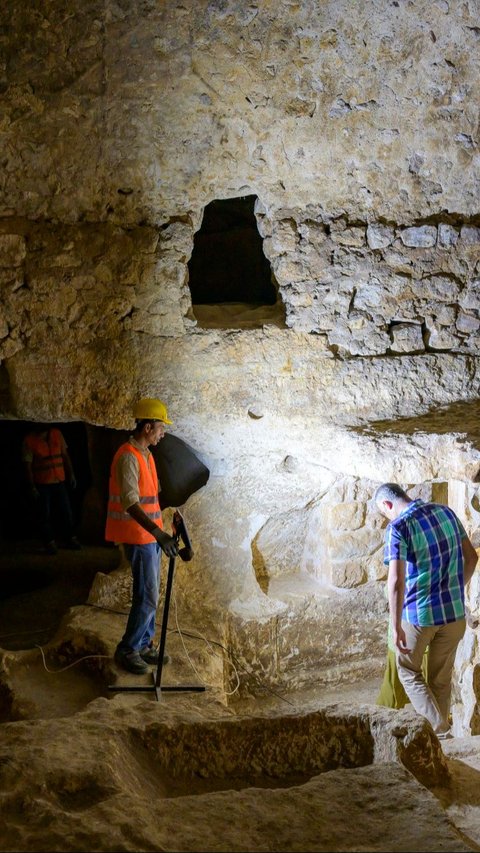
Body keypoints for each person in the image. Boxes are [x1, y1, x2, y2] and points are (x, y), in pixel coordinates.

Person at [375, 482, 478, 737]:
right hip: (454, 615)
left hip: (420, 616)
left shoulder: (398, 528)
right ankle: (441, 744)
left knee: (408, 671)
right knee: (440, 681)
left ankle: (440, 730)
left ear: (388, 505)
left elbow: (396, 581)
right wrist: (454, 589)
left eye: (383, 512)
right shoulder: (446, 513)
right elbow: (472, 557)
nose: (386, 517)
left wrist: (396, 624)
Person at [105, 397, 179, 675]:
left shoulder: (146, 454)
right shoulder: (128, 456)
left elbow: (152, 499)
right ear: (148, 427)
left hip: (149, 537)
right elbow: (130, 502)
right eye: (161, 427)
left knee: (151, 593)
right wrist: (158, 533)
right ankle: (128, 649)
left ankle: (145, 644)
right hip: (139, 537)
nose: (163, 433)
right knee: (147, 596)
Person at [22, 424, 81, 555]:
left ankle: (70, 539)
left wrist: (71, 474)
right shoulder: (29, 440)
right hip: (42, 483)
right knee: (44, 515)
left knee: (66, 512)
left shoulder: (56, 433)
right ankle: (49, 542)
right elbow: (28, 466)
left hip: (59, 480)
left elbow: (65, 455)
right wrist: (31, 486)